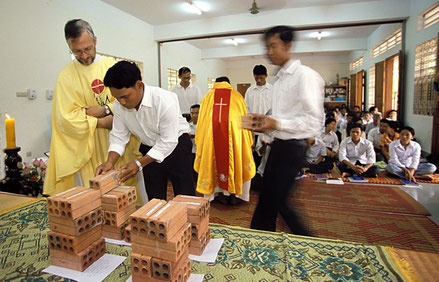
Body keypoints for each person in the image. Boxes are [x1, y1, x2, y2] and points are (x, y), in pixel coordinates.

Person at [43, 19, 141, 198]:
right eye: (77, 51)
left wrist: (105, 109)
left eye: (87, 49)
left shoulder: (112, 67)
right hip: (86, 145)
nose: (85, 56)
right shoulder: (65, 76)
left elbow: (131, 98)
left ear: (95, 41)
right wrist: (102, 122)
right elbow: (65, 118)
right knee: (93, 197)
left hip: (118, 140)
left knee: (124, 195)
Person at [248, 26, 324, 235]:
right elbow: (279, 118)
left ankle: (309, 240)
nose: (269, 52)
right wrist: (266, 127)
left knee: (278, 200)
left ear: (288, 45)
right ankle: (260, 238)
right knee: (267, 197)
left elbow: (313, 122)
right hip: (279, 145)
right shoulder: (279, 80)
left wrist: (276, 124)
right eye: (267, 47)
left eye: (273, 46)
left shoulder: (304, 76)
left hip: (293, 147)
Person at [96, 61, 195, 200]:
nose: (122, 102)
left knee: (185, 197)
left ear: (139, 85)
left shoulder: (164, 100)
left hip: (177, 147)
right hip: (149, 148)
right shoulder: (119, 105)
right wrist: (110, 162)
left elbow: (168, 141)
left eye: (125, 96)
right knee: (154, 198)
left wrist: (138, 164)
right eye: (117, 98)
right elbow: (119, 136)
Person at [195, 76, 255, 205]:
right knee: (235, 159)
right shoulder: (237, 96)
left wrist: (200, 138)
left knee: (212, 160)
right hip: (234, 137)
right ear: (229, 83)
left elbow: (201, 122)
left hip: (211, 140)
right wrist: (248, 139)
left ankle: (216, 194)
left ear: (216, 84)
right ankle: (234, 193)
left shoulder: (207, 97)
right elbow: (245, 120)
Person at [244, 65, 273, 171]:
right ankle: (255, 180)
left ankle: (265, 178)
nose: (259, 80)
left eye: (261, 77)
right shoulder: (250, 91)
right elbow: (246, 109)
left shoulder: (272, 90)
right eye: (256, 78)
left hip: (268, 128)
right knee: (254, 156)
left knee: (268, 155)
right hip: (254, 129)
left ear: (266, 76)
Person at [189, 104, 200, 183]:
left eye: (197, 113)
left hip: (202, 153)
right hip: (191, 152)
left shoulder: (205, 125)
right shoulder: (187, 126)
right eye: (192, 113)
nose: (194, 115)